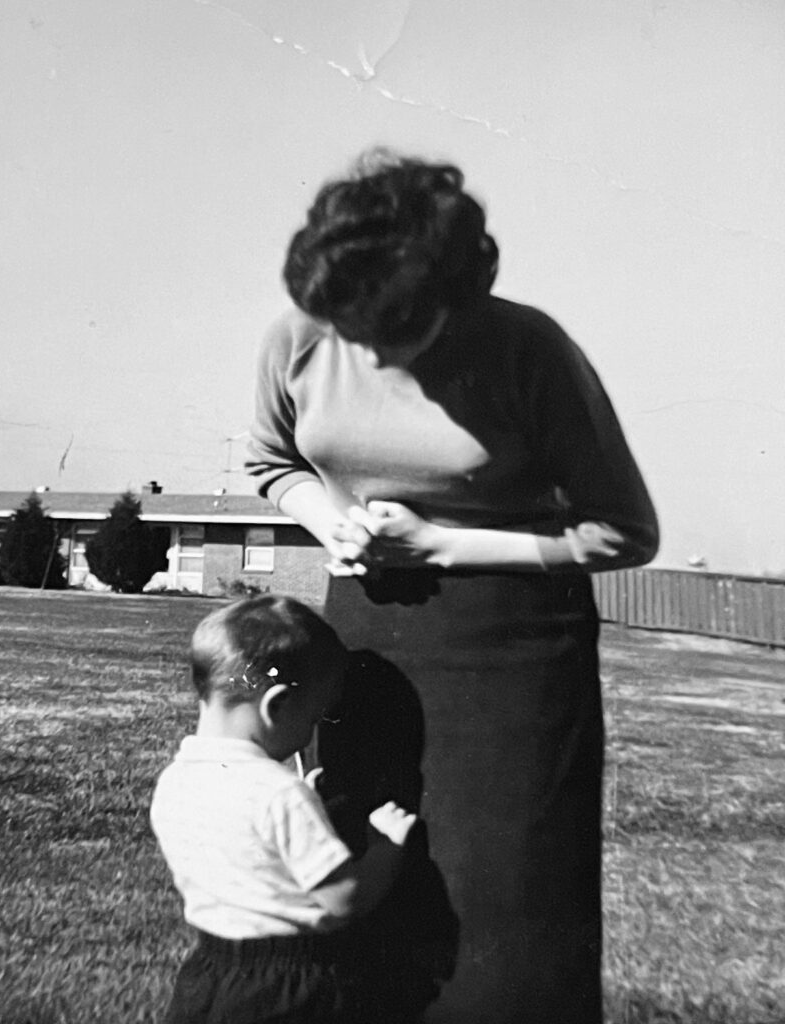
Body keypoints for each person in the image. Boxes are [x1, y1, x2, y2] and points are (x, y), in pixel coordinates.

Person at [247, 150, 660, 1024]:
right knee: (371, 876)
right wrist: (332, 523)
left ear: (452, 292)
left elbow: (623, 530)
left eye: (391, 331)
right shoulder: (301, 334)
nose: (365, 349)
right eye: (348, 327)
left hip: (514, 651)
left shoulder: (529, 348)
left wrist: (441, 543)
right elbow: (272, 461)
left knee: (508, 915)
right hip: (367, 635)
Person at [150, 594, 422, 1024]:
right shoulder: (280, 795)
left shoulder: (175, 781)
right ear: (276, 706)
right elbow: (343, 899)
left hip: (207, 975)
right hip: (287, 985)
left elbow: (248, 846)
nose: (312, 734)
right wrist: (386, 849)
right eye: (314, 719)